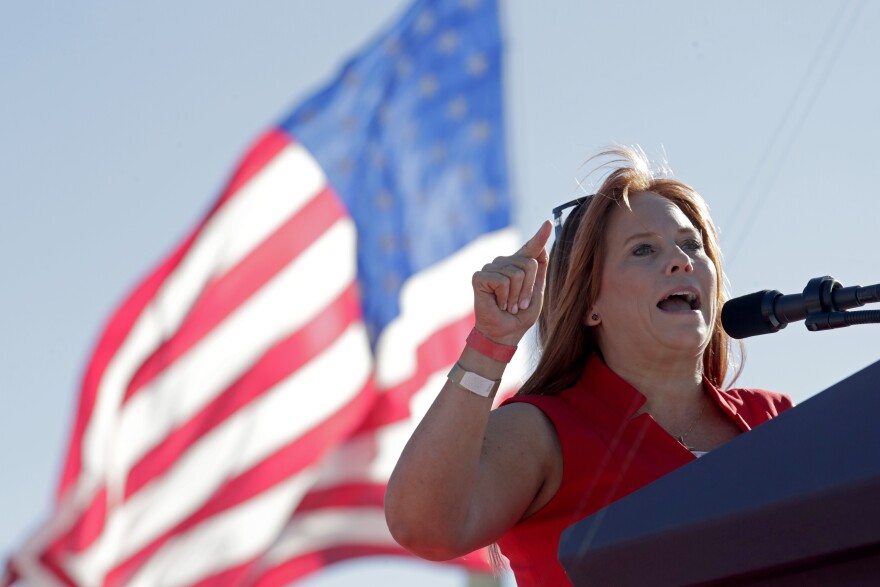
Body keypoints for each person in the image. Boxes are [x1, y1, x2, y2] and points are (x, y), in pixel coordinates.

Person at [384, 146, 794, 586]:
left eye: (692, 244)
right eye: (643, 251)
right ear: (589, 304)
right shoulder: (542, 430)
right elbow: (423, 527)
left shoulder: (775, 420)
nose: (681, 260)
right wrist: (491, 344)